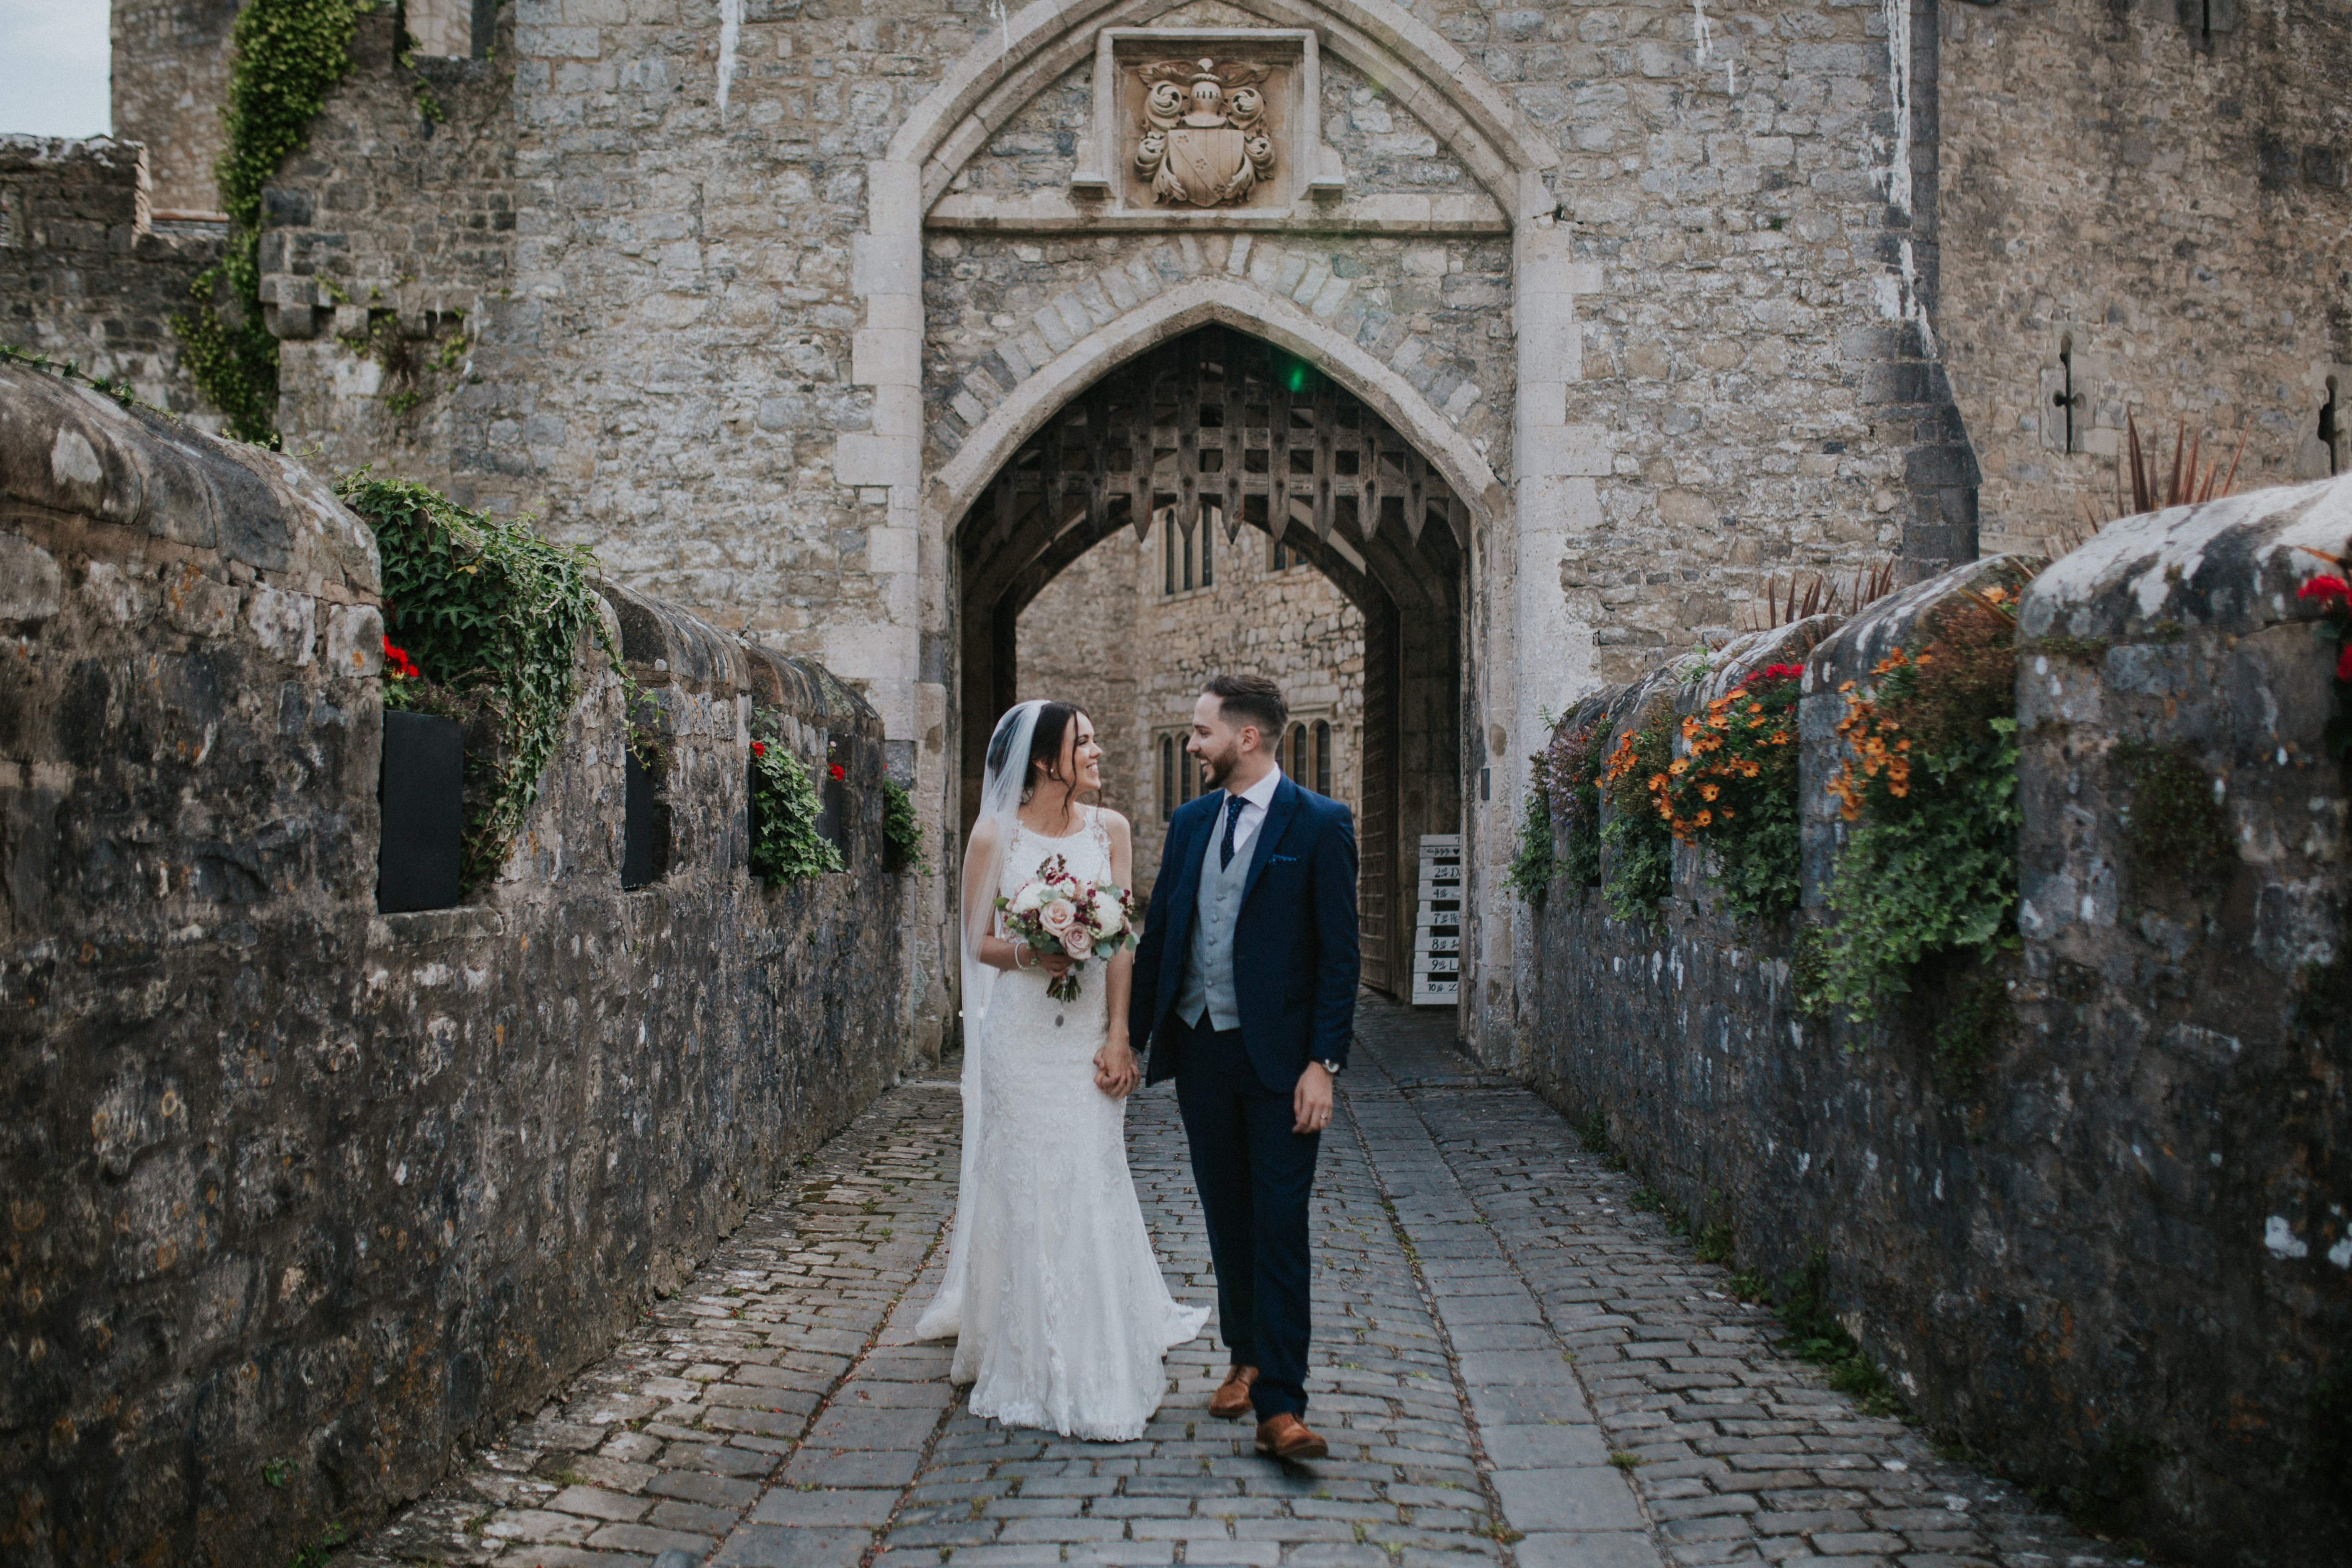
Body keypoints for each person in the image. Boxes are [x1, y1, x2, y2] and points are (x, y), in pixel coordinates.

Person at [914, 699, 1210, 1440]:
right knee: (1023, 1173)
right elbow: (976, 942)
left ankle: (1097, 1339)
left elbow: (1121, 943)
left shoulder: (1110, 830)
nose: (1098, 750)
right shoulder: (993, 836)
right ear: (1047, 760)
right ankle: (1021, 1342)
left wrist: (1119, 1035)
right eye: (1086, 741)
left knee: (1088, 1167)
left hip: (1082, 1030)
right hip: (1019, 1031)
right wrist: (1028, 950)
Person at [1127, 674, 1360, 1462]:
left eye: (1200, 733)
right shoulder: (1190, 822)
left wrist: (1322, 1063)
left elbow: (1339, 957)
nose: (1191, 745)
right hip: (1201, 1051)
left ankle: (1282, 1405)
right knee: (1227, 1215)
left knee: (1280, 1222)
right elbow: (1161, 938)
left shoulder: (1320, 824)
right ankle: (1243, 1356)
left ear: (1246, 738)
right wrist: (1127, 1040)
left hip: (1281, 1062)